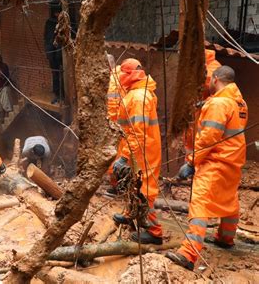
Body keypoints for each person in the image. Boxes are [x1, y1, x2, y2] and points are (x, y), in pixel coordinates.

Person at [166, 66, 248, 271]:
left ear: (216, 78)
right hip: (233, 161)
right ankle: (225, 238)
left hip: (216, 162)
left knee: (200, 203)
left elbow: (208, 139)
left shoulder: (219, 103)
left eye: (210, 79)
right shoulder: (240, 102)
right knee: (229, 199)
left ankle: (189, 253)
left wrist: (191, 162)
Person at [112, 58, 163, 245]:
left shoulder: (138, 97)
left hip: (142, 153)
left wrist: (124, 156)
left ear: (129, 75)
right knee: (134, 185)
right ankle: (129, 213)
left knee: (144, 191)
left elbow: (137, 132)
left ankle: (155, 232)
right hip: (142, 150)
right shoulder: (140, 93)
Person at [184, 49, 223, 157]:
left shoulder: (212, 70)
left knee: (203, 138)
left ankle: (192, 162)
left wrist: (204, 102)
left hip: (206, 110)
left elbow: (219, 94)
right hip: (198, 110)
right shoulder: (198, 67)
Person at [106, 54, 126, 195]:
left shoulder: (113, 82)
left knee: (115, 158)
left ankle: (116, 187)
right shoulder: (122, 76)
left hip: (117, 126)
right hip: (124, 125)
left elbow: (112, 108)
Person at [44, 0, 63, 104]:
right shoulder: (50, 23)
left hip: (61, 54)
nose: (57, 14)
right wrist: (49, 54)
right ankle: (57, 95)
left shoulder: (64, 21)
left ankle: (62, 96)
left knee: (62, 75)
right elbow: (47, 39)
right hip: (53, 54)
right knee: (55, 75)